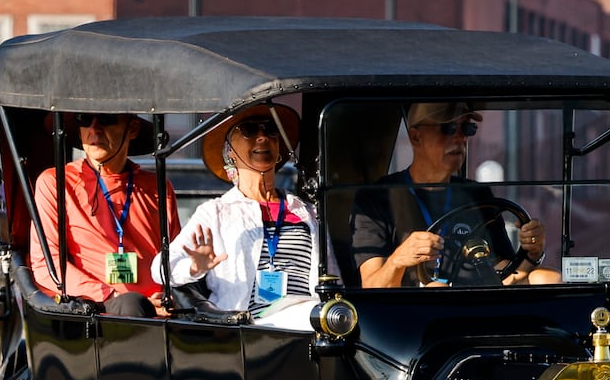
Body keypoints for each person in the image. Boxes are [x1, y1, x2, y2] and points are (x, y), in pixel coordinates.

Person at [349, 102, 546, 288]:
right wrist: (398, 260)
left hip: (481, 309)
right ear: (416, 137)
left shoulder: (478, 194)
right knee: (435, 289)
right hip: (413, 316)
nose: (460, 138)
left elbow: (503, 273)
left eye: (467, 129)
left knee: (547, 278)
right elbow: (371, 285)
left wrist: (532, 252)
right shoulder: (375, 197)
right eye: (449, 128)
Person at [158, 102, 317, 328]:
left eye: (270, 130)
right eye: (249, 130)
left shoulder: (307, 212)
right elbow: (161, 268)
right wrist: (196, 267)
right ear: (230, 152)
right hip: (250, 327)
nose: (262, 137)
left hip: (309, 320)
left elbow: (332, 280)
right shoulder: (215, 212)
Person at [28, 111, 180, 317]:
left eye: (107, 119)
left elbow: (175, 259)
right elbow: (46, 267)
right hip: (96, 313)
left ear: (132, 129)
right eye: (84, 119)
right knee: (132, 304)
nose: (94, 129)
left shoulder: (158, 186)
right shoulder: (55, 182)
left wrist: (168, 295)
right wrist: (111, 295)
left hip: (158, 313)